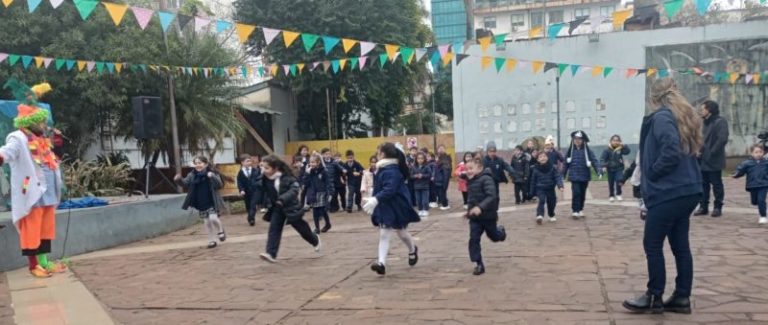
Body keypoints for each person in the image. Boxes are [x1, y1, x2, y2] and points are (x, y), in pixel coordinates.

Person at [623, 78, 703, 315]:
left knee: (653, 243)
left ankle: (654, 295)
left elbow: (670, 150)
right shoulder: (680, 116)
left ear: (653, 98)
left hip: (669, 191)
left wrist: (653, 173)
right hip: (687, 190)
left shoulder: (662, 117)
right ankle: (681, 297)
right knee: (680, 245)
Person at [0, 80, 67, 278]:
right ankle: (33, 265)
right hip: (32, 191)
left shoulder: (43, 140)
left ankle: (45, 262)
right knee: (32, 229)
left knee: (46, 228)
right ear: (30, 122)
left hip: (48, 191)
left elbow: (56, 159)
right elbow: (7, 152)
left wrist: (58, 141)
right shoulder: (18, 137)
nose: (44, 125)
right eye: (41, 121)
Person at [363, 142, 420, 275]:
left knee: (402, 233)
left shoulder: (392, 171)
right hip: (386, 205)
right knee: (384, 233)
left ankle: (412, 249)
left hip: (397, 205)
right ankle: (381, 263)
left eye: (378, 152)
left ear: (383, 154)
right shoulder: (383, 169)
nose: (377, 155)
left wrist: (375, 199)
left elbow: (390, 190)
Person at [259, 155, 321, 263]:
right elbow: (260, 191)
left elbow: (294, 191)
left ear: (275, 168)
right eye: (262, 167)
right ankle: (271, 254)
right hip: (277, 208)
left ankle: (315, 240)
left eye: (266, 168)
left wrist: (282, 199)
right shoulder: (265, 179)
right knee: (274, 229)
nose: (264, 170)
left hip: (291, 208)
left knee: (302, 229)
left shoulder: (288, 178)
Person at [464, 157, 507, 275]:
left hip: (488, 216)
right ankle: (478, 263)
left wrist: (480, 207)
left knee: (494, 237)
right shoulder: (471, 180)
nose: (468, 171)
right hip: (475, 219)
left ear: (480, 168)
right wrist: (469, 212)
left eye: (471, 168)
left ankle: (500, 232)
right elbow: (472, 199)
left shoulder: (487, 179)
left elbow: (491, 196)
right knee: (473, 239)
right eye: (467, 169)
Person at [175, 156, 227, 249]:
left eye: (200, 163)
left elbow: (219, 185)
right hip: (200, 201)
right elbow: (185, 183)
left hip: (212, 200)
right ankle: (211, 240)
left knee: (213, 218)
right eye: (196, 163)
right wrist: (178, 180)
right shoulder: (192, 175)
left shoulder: (211, 173)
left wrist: (213, 177)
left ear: (206, 164)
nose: (198, 165)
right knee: (207, 222)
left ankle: (220, 230)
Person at [694, 100, 729, 218]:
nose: (701, 111)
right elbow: (702, 139)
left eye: (703, 109)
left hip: (714, 159)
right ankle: (703, 206)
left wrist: (712, 152)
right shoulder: (704, 123)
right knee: (703, 184)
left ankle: (717, 207)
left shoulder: (720, 121)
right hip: (702, 159)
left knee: (716, 184)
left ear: (709, 110)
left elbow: (722, 139)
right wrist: (699, 151)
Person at [564, 130, 601, 219]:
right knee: (576, 192)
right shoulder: (570, 151)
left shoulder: (587, 151)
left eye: (579, 139)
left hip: (584, 176)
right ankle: (575, 210)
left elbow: (594, 160)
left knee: (582, 193)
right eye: (576, 139)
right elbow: (565, 164)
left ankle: (580, 209)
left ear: (583, 140)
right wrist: (562, 174)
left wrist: (598, 170)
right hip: (574, 176)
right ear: (573, 140)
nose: (577, 141)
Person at [732, 144, 768, 225]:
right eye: (756, 152)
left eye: (760, 152)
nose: (758, 154)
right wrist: (736, 174)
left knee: (761, 200)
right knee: (754, 201)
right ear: (752, 153)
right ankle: (763, 207)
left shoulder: (766, 162)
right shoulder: (747, 163)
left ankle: (763, 216)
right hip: (752, 185)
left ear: (763, 152)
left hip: (764, 184)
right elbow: (740, 170)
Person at [530, 152, 564, 224]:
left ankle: (551, 215)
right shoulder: (535, 169)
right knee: (541, 200)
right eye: (540, 157)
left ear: (547, 158)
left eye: (544, 156)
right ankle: (539, 215)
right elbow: (533, 181)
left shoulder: (552, 167)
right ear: (538, 160)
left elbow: (557, 177)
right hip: (540, 188)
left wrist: (560, 185)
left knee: (552, 202)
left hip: (550, 188)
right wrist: (531, 192)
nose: (543, 158)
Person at [303, 153, 334, 234]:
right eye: (310, 162)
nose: (311, 164)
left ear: (318, 162)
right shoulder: (310, 172)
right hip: (313, 193)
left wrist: (330, 192)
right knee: (315, 211)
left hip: (322, 193)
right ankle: (317, 228)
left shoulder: (323, 171)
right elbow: (305, 182)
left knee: (323, 210)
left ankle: (327, 224)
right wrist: (307, 173)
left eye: (313, 162)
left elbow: (328, 182)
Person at [601, 135, 631, 202]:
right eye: (614, 140)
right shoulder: (607, 150)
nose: (615, 142)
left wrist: (624, 146)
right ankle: (611, 195)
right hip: (610, 169)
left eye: (617, 140)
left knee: (619, 180)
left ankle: (618, 194)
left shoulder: (620, 148)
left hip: (619, 168)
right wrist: (604, 166)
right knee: (611, 183)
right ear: (611, 141)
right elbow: (602, 159)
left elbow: (627, 152)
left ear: (620, 141)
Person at [237, 154, 262, 226]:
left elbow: (259, 179)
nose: (249, 163)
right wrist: (241, 190)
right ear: (242, 162)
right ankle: (251, 218)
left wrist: (258, 185)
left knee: (253, 204)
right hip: (246, 192)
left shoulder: (255, 170)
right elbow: (239, 182)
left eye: (250, 161)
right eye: (247, 161)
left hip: (255, 191)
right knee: (248, 205)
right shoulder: (240, 172)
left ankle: (251, 218)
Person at [321, 148, 346, 212]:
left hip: (332, 181)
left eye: (329, 154)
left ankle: (334, 207)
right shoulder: (322, 162)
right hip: (324, 181)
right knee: (326, 194)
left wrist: (343, 169)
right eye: (326, 154)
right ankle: (328, 207)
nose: (328, 155)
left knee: (332, 194)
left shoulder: (333, 162)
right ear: (323, 155)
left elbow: (339, 166)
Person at [411, 152, 432, 217]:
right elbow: (411, 176)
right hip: (417, 187)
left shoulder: (427, 166)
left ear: (424, 159)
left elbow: (429, 175)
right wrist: (415, 176)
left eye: (422, 158)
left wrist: (422, 175)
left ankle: (425, 210)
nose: (420, 160)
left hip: (425, 186)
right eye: (418, 158)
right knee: (418, 200)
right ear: (416, 159)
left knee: (425, 200)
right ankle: (420, 210)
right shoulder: (414, 167)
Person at [436, 145, 453, 209]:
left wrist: (445, 182)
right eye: (439, 148)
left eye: (442, 148)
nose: (440, 150)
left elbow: (447, 170)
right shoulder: (438, 158)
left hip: (443, 178)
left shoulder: (446, 158)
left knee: (442, 191)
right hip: (438, 178)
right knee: (441, 192)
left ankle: (445, 205)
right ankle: (444, 203)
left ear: (445, 149)